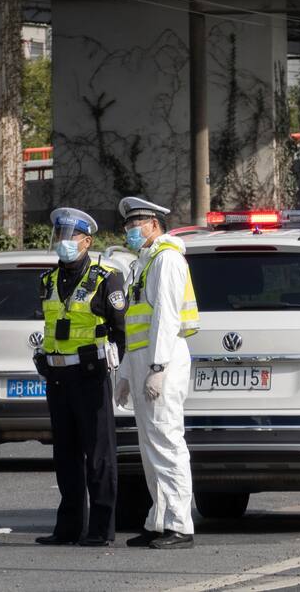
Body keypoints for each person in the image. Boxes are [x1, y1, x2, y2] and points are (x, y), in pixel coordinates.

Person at [33, 207, 128, 547]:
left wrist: (118, 369)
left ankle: (101, 529)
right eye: (58, 235)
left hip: (91, 376)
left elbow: (120, 332)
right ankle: (68, 528)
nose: (62, 242)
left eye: (69, 236)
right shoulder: (47, 280)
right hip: (58, 378)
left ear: (86, 241)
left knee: (99, 454)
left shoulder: (106, 278)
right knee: (65, 455)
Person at [114, 196, 200, 550]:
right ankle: (159, 520)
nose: (132, 231)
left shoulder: (166, 260)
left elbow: (166, 317)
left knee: (166, 443)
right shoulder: (143, 263)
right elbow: (135, 323)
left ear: (154, 225)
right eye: (128, 225)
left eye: (138, 224)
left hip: (161, 361)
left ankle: (180, 524)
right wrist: (124, 372)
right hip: (143, 361)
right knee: (150, 447)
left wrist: (158, 368)